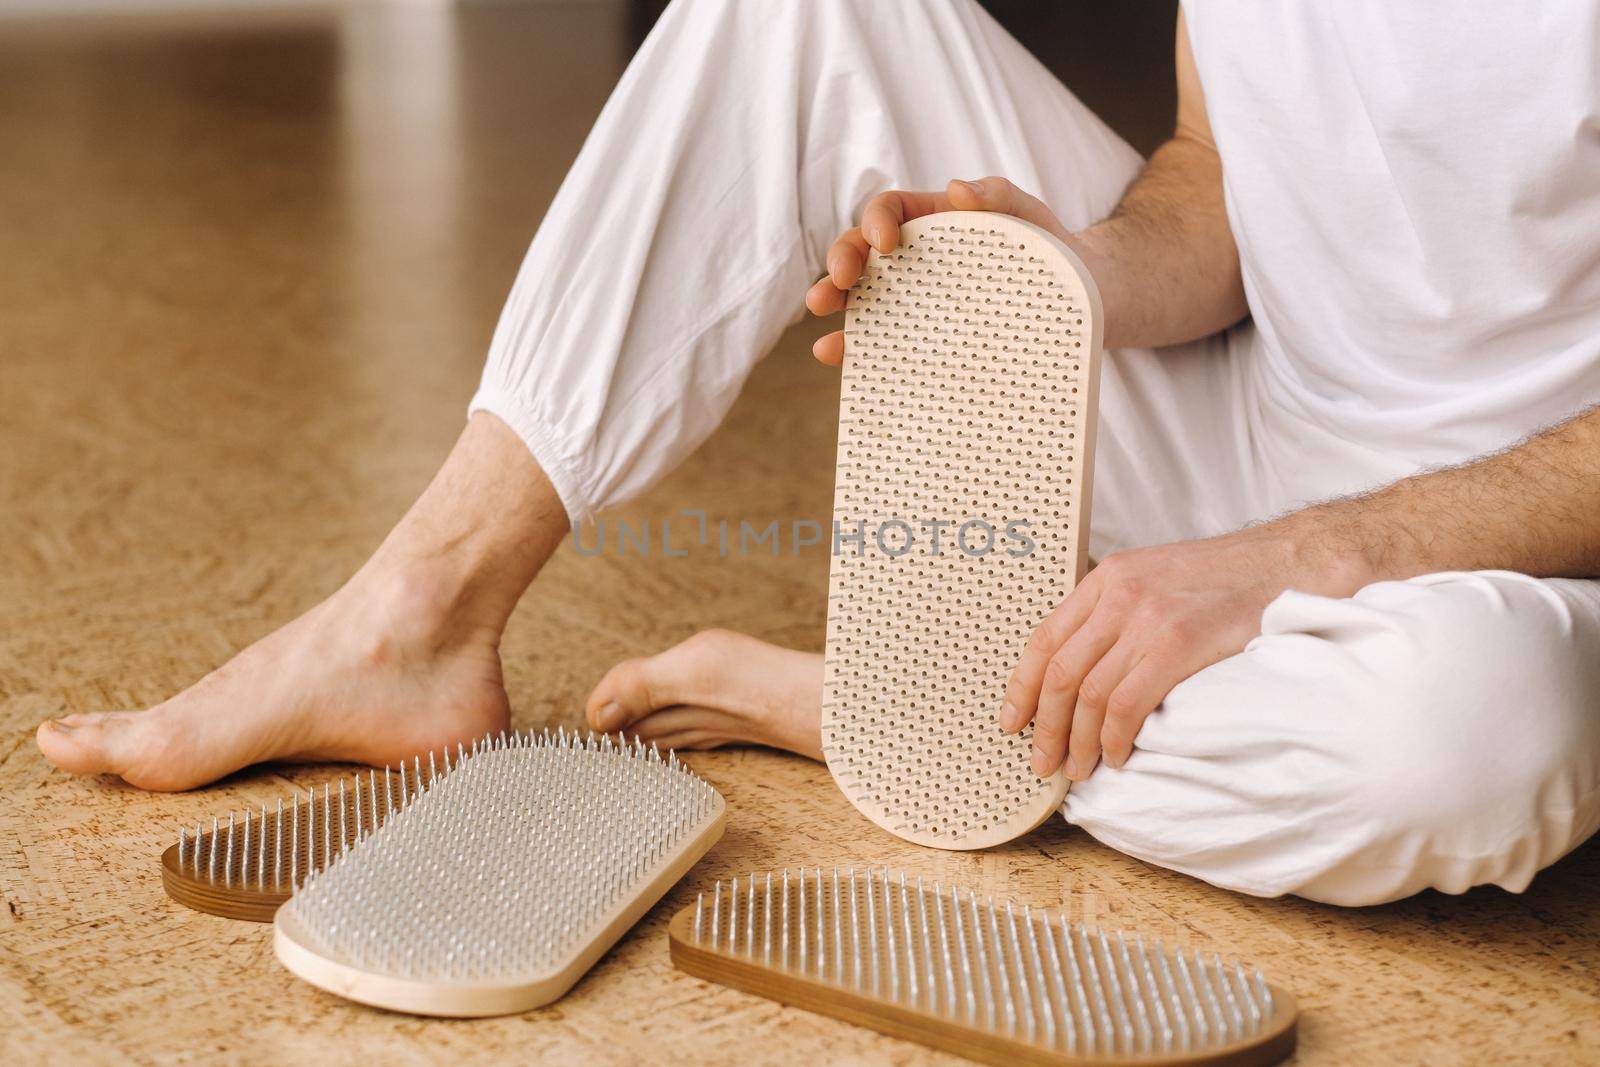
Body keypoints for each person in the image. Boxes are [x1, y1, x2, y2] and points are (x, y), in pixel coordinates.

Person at [36, 1, 1600, 906]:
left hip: (1502, 569)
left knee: (1474, 743)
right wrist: (1059, 276)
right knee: (801, 10)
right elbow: (1226, 178)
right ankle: (419, 619)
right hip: (1251, 436)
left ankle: (866, 710)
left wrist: (1308, 560)